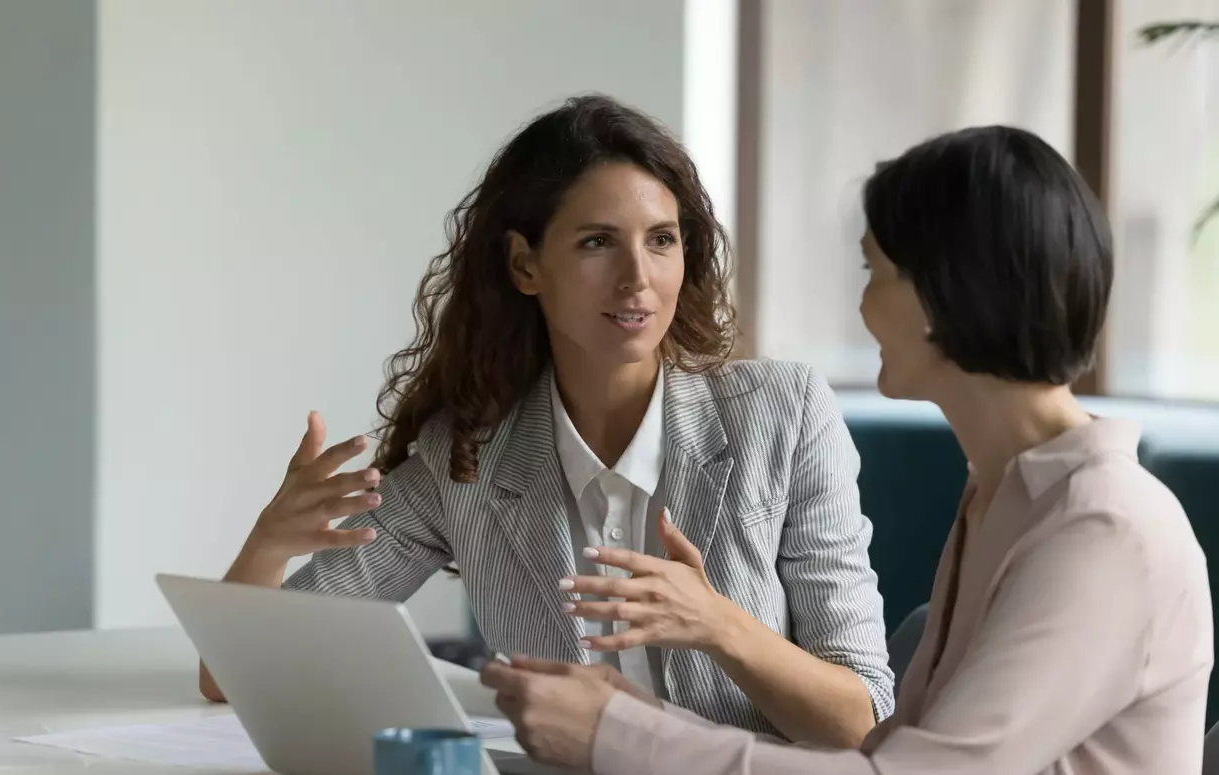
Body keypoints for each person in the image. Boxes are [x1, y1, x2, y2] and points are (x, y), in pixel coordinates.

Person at [480, 125, 1215, 774]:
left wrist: (618, 734)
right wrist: (634, 711)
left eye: (875, 272)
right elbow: (886, 750)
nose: (861, 305)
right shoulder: (1001, 495)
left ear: (943, 297)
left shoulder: (1103, 528)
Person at [198, 94, 895, 746]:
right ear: (525, 264)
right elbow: (229, 676)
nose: (637, 278)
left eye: (661, 240)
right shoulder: (465, 458)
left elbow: (864, 719)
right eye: (597, 242)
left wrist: (721, 627)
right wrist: (268, 543)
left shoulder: (783, 413)